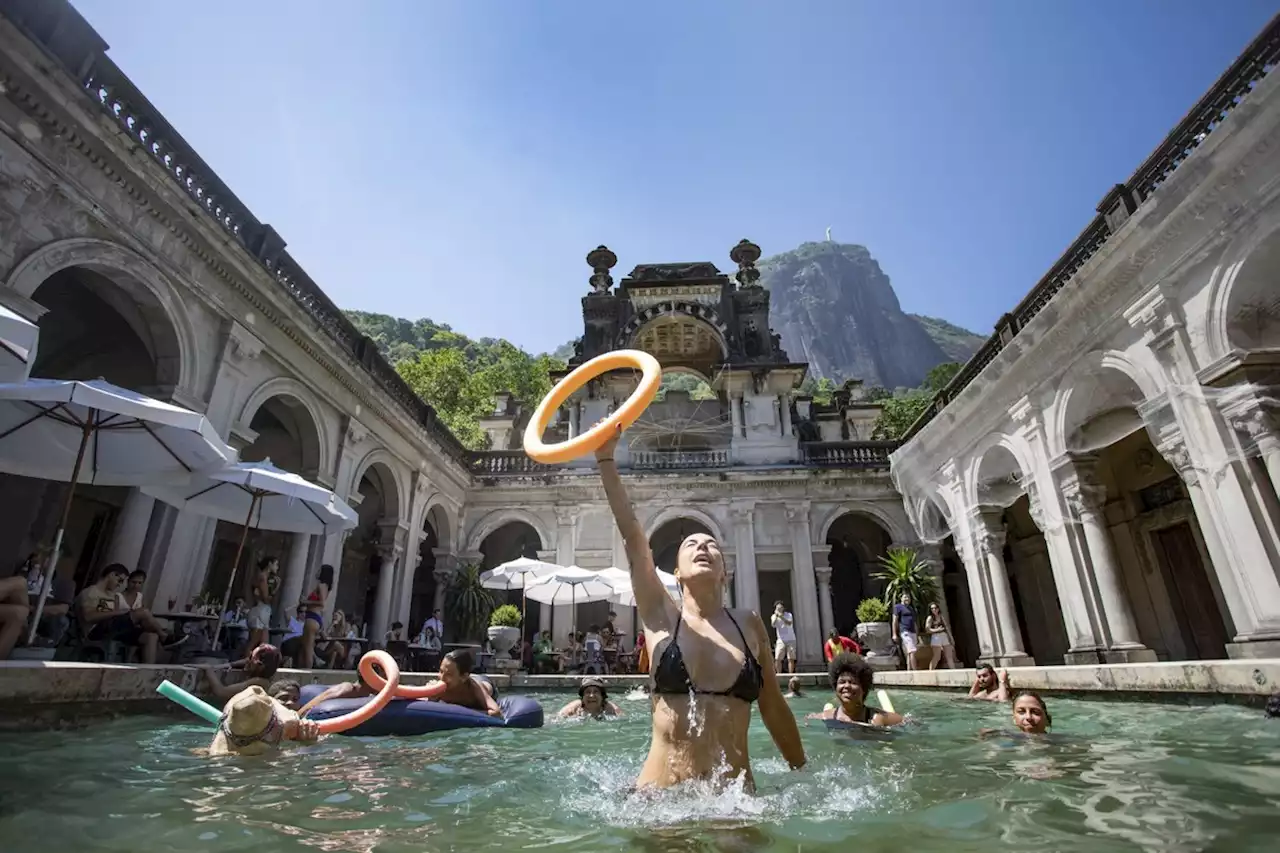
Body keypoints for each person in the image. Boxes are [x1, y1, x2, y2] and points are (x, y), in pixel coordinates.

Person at [596, 427, 804, 790]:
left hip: (734, 800)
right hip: (660, 800)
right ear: (676, 572)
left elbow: (773, 707)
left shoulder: (748, 624)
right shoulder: (662, 615)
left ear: (725, 571)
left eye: (712, 545)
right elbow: (633, 538)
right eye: (691, 544)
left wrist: (803, 773)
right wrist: (605, 459)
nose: (703, 548)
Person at [75, 564, 177, 663]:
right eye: (119, 580)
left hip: (112, 630)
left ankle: (147, 673)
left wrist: (117, 614)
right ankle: (164, 636)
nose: (119, 585)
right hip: (95, 631)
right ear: (112, 575)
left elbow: (113, 616)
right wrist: (117, 612)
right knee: (143, 613)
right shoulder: (92, 592)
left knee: (151, 637)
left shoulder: (111, 594)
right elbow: (88, 617)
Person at [208, 685, 320, 757]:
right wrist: (307, 745)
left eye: (295, 699)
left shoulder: (216, 756)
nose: (290, 703)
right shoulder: (285, 756)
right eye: (284, 698)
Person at [808, 653, 904, 727]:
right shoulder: (825, 718)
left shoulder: (878, 719)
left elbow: (907, 721)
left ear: (863, 689)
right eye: (842, 682)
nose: (846, 686)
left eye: (853, 682)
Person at [200, 644, 282, 702]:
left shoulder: (257, 682)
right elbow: (246, 661)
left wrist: (209, 670)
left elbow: (221, 692)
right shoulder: (267, 679)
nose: (247, 660)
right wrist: (229, 664)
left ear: (260, 665)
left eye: (250, 657)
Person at [296, 564, 333, 669]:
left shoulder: (321, 586)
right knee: (304, 647)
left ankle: (307, 673)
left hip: (312, 617)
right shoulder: (326, 587)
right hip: (315, 618)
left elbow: (321, 603)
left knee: (307, 649)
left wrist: (305, 601)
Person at [246, 556, 280, 653]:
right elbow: (265, 598)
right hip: (260, 611)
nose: (277, 567)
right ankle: (246, 662)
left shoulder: (264, 577)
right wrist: (275, 589)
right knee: (253, 643)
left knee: (264, 644)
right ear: (270, 564)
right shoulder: (262, 577)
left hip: (263, 611)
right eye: (276, 564)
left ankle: (260, 664)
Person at [557, 676, 623, 719]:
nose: (591, 695)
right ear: (582, 697)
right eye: (588, 692)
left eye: (596, 692)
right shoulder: (574, 707)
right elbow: (557, 718)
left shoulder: (611, 708)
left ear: (602, 696)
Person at [923, 602, 956, 669]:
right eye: (932, 608)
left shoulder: (941, 616)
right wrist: (937, 630)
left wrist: (951, 637)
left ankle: (953, 671)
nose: (934, 610)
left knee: (949, 656)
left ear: (938, 609)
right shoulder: (930, 618)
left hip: (944, 636)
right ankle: (931, 672)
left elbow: (946, 627)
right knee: (937, 657)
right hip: (936, 637)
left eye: (935, 608)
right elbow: (927, 629)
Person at [892, 593, 920, 670]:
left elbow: (914, 622)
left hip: (913, 632)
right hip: (905, 631)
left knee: (909, 652)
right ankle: (915, 671)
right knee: (912, 651)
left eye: (908, 597)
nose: (907, 599)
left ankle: (909, 670)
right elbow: (895, 621)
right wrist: (894, 634)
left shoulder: (911, 609)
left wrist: (917, 635)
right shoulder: (898, 607)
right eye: (905, 597)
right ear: (901, 598)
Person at [770, 601, 797, 675]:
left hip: (791, 639)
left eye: (781, 607)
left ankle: (791, 674)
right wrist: (776, 615)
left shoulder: (788, 615)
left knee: (791, 658)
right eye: (778, 608)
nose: (779, 609)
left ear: (783, 608)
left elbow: (789, 623)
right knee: (778, 658)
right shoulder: (774, 616)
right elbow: (773, 624)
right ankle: (779, 674)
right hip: (781, 640)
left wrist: (781, 616)